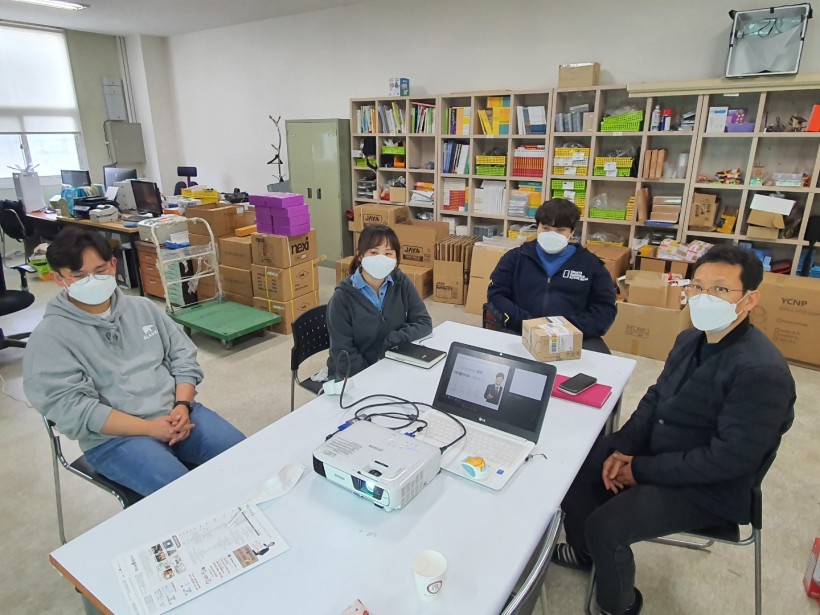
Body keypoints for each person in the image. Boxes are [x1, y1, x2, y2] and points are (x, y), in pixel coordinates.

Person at [551, 244, 795, 615]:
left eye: (720, 289)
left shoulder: (761, 372)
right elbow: (656, 397)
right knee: (574, 468)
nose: (703, 298)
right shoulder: (690, 338)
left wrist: (639, 470)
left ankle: (619, 605)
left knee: (606, 527)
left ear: (749, 299)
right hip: (665, 450)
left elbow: (729, 460)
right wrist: (623, 447)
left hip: (710, 488)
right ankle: (588, 555)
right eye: (697, 287)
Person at [23, 227, 245, 497]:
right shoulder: (50, 338)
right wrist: (149, 428)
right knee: (183, 493)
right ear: (59, 279)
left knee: (244, 454)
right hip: (114, 438)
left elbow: (182, 356)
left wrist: (182, 405)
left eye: (100, 270)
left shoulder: (143, 308)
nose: (92, 281)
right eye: (79, 276)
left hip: (177, 414)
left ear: (113, 265)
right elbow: (74, 408)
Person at [487, 198, 616, 348]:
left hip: (573, 336)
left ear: (572, 232)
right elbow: (496, 294)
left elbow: (605, 308)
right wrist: (525, 323)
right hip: (519, 330)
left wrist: (569, 329)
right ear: (537, 227)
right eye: (546, 228)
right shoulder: (515, 258)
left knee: (599, 360)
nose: (552, 234)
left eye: (560, 230)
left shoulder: (591, 265)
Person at [327, 224, 432, 377]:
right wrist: (372, 375)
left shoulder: (401, 282)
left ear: (396, 258)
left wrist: (394, 339)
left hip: (392, 363)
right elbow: (343, 353)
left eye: (388, 253)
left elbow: (424, 323)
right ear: (360, 256)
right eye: (374, 252)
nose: (381, 259)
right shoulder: (342, 298)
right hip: (353, 374)